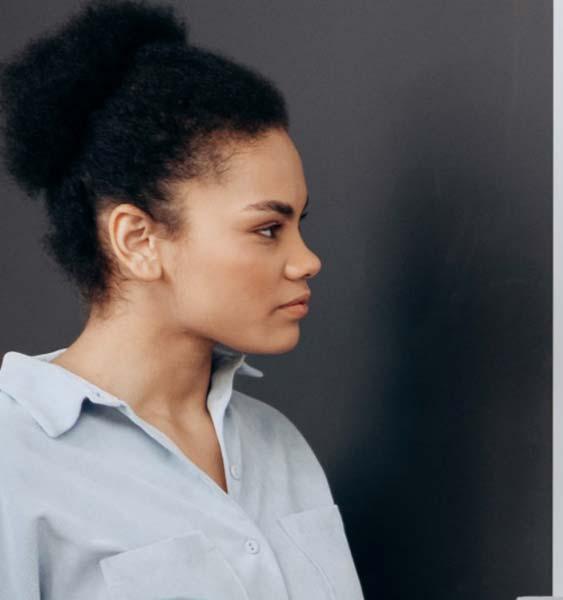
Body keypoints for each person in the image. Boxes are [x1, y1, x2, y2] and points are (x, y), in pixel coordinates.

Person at [0, 0, 364, 598]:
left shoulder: (278, 446)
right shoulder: (15, 458)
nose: (307, 260)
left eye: (299, 224)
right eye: (268, 229)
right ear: (138, 240)